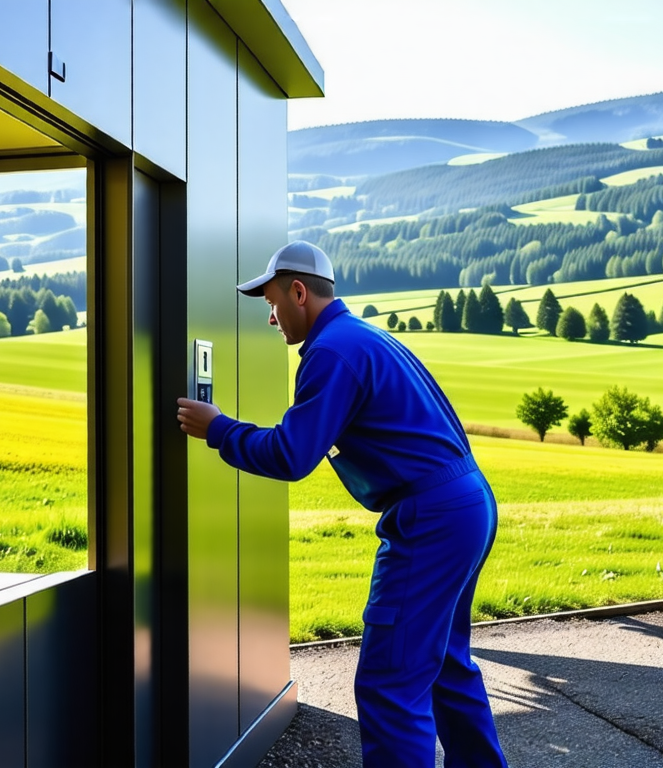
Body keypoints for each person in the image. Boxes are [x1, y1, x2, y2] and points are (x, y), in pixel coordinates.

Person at [176, 241, 508, 767]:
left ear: (299, 292)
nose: (271, 317)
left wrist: (218, 428)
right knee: (444, 663)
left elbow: (291, 454)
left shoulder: (331, 354)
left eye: (271, 302)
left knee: (390, 681)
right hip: (467, 503)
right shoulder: (365, 338)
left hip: (433, 519)